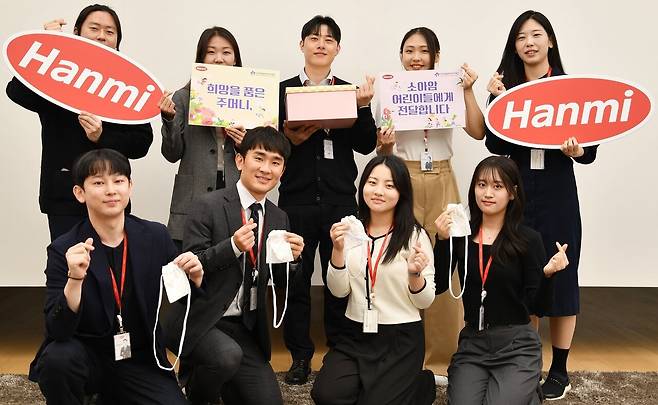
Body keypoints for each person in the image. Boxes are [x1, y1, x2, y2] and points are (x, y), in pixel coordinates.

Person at [29, 148, 203, 404]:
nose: (111, 190)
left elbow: (183, 298)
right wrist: (74, 279)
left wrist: (195, 279)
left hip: (139, 359)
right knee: (58, 360)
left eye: (118, 180)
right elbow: (58, 329)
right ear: (79, 193)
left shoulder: (155, 237)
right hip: (86, 356)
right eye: (99, 183)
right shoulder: (64, 248)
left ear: (130, 186)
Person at [484, 10, 598, 400]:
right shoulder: (507, 88)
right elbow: (494, 145)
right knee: (523, 277)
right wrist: (497, 100)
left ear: (550, 41)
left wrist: (578, 150)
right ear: (514, 46)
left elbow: (590, 151)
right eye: (521, 37)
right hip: (518, 196)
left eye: (536, 35)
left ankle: (560, 370)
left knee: (562, 276)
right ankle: (526, 363)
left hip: (557, 195)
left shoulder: (570, 88)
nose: (529, 43)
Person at [165, 126, 304, 405]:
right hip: (201, 319)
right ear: (240, 160)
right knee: (226, 356)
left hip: (244, 327)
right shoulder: (207, 205)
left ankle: (225, 384)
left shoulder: (279, 217)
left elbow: (280, 282)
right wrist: (232, 247)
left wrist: (294, 260)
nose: (266, 169)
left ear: (283, 171)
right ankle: (196, 394)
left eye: (275, 162)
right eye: (259, 158)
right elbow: (191, 266)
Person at [376, 26, 486, 378]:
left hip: (442, 175)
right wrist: (386, 144)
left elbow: (478, 132)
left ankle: (442, 357)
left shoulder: (449, 87)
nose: (416, 57)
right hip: (403, 175)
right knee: (401, 258)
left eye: (423, 51)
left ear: (436, 57)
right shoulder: (390, 90)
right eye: (409, 50)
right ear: (401, 56)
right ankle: (403, 356)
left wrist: (467, 90)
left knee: (446, 259)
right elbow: (382, 149)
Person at [278, 14, 378, 385]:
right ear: (301, 45)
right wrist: (289, 139)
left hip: (340, 203)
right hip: (296, 202)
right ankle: (300, 357)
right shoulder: (282, 91)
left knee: (343, 279)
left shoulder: (350, 91)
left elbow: (366, 145)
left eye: (329, 39)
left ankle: (340, 353)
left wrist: (363, 106)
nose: (321, 44)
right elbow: (270, 148)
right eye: (314, 37)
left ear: (338, 48)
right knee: (296, 282)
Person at [6, 4, 153, 241]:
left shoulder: (126, 83)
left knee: (111, 262)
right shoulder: (57, 71)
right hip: (64, 194)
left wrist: (101, 137)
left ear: (117, 40)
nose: (102, 36)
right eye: (94, 28)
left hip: (111, 196)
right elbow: (17, 92)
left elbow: (142, 143)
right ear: (76, 32)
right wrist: (48, 44)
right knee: (67, 260)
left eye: (110, 31)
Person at [433, 156, 569, 404]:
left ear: (512, 193)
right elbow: (438, 286)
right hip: (473, 342)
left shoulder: (528, 239)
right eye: (481, 184)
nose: (488, 193)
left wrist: (548, 275)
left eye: (497, 186)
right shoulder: (461, 235)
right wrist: (442, 241)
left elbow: (538, 307)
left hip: (517, 345)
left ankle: (528, 390)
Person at [311, 155, 436, 405]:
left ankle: (422, 384)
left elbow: (425, 301)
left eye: (389, 185)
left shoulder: (415, 236)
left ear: (402, 193)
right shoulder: (351, 230)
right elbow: (338, 291)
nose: (378, 191)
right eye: (372, 182)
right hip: (355, 333)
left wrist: (414, 275)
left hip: (400, 338)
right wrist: (337, 250)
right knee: (326, 395)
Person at [158, 26, 247, 251]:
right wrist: (168, 119)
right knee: (190, 263)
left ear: (235, 59)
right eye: (211, 52)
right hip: (192, 195)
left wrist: (243, 143)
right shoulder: (183, 97)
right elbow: (171, 154)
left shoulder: (251, 98)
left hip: (234, 191)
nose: (219, 59)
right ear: (201, 58)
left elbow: (260, 154)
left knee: (230, 259)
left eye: (226, 52)